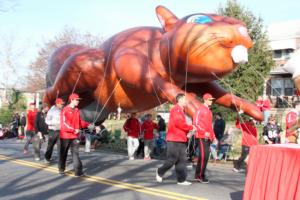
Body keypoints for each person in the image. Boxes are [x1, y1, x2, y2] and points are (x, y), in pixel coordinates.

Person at [156, 93, 195, 186]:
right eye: (185, 99)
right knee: (172, 160)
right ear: (180, 100)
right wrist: (191, 127)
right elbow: (179, 123)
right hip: (174, 139)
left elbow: (180, 126)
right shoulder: (176, 109)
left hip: (181, 139)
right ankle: (159, 172)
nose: (186, 101)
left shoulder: (182, 110)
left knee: (182, 160)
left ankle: (181, 180)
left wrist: (187, 133)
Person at [58, 93, 89, 176]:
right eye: (77, 100)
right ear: (71, 100)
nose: (78, 101)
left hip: (74, 136)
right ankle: (61, 169)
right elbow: (64, 124)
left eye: (78, 100)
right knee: (63, 153)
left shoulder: (77, 110)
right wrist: (73, 130)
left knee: (75, 153)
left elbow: (80, 122)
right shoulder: (64, 110)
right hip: (65, 136)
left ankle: (78, 172)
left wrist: (89, 124)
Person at [193, 93, 216, 184]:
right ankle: (200, 176)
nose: (211, 101)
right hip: (201, 136)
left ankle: (198, 175)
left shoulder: (209, 111)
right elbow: (196, 123)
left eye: (212, 100)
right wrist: (203, 132)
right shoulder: (200, 110)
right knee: (203, 157)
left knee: (204, 157)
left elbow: (210, 126)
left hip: (207, 137)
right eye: (210, 100)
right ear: (205, 100)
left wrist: (213, 135)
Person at [44, 98, 64, 163]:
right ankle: (47, 158)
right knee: (50, 145)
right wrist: (53, 123)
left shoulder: (62, 110)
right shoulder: (51, 111)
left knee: (60, 146)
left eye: (63, 104)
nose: (62, 105)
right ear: (57, 103)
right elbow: (46, 121)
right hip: (53, 130)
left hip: (60, 130)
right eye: (61, 104)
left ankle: (61, 161)